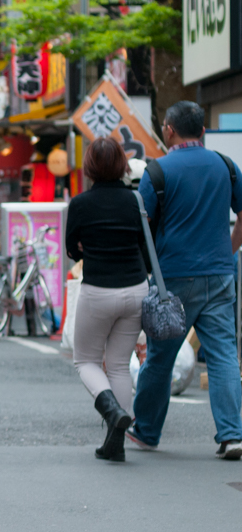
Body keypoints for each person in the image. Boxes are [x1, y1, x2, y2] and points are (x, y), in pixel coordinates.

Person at [132, 101, 242, 460]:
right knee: (224, 354)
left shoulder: (158, 171)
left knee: (161, 357)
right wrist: (229, 251)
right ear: (203, 131)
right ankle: (231, 434)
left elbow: (143, 227)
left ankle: (147, 431)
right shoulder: (226, 167)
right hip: (220, 274)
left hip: (173, 279)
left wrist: (149, 269)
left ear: (168, 130)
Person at [64, 138, 151, 462]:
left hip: (98, 289)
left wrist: (87, 246)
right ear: (121, 164)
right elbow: (145, 245)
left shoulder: (81, 203)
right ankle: (116, 440)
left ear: (89, 166)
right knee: (117, 364)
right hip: (136, 290)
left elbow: (72, 248)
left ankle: (112, 412)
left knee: (85, 361)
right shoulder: (134, 200)